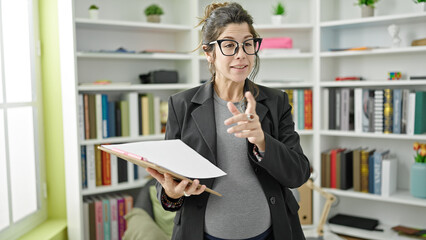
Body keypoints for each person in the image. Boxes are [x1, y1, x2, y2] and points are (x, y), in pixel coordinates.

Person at [146, 2, 310, 240]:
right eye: (230, 45)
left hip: (270, 233)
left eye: (248, 44)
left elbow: (298, 174)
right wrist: (171, 193)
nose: (241, 54)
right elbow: (170, 177)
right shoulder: (181, 105)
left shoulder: (276, 102)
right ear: (209, 52)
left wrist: (263, 141)